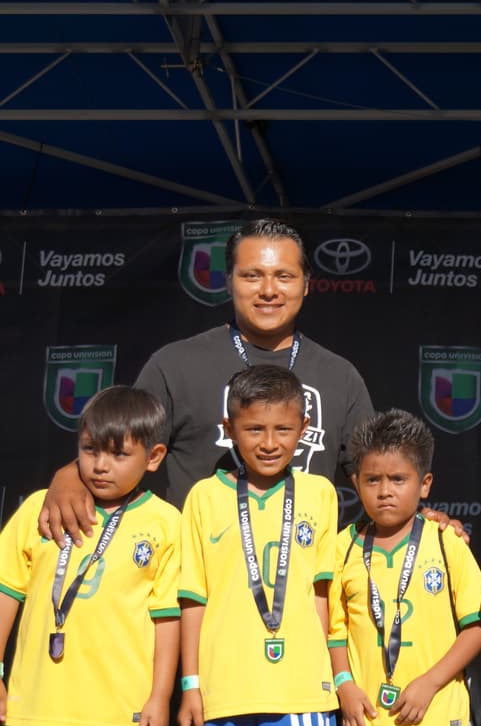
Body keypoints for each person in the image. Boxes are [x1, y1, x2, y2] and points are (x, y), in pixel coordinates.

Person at [40, 218, 374, 542]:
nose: (269, 290)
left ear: (306, 284)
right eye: (252, 276)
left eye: (284, 276)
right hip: (196, 570)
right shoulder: (174, 365)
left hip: (301, 569)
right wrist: (70, 475)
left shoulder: (340, 376)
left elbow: (376, 474)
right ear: (228, 281)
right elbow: (117, 444)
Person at [0, 386, 179, 726]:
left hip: (117, 720)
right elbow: (6, 592)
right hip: (30, 715)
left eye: (118, 455)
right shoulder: (40, 508)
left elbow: (167, 618)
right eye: (90, 450)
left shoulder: (166, 523)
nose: (100, 465)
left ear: (153, 457)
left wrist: (160, 696)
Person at [177, 365, 340, 726]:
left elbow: (322, 596)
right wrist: (191, 684)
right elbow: (193, 600)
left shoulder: (320, 494)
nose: (269, 443)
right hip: (223, 691)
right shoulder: (204, 497)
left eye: (283, 429)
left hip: (301, 693)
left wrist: (326, 679)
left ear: (304, 428)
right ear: (228, 429)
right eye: (254, 429)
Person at [329, 409, 481, 726]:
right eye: (373, 479)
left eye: (398, 479)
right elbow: (334, 631)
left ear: (424, 484)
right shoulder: (342, 547)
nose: (385, 490)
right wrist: (344, 686)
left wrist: (430, 682)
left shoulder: (446, 541)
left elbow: (477, 626)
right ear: (356, 482)